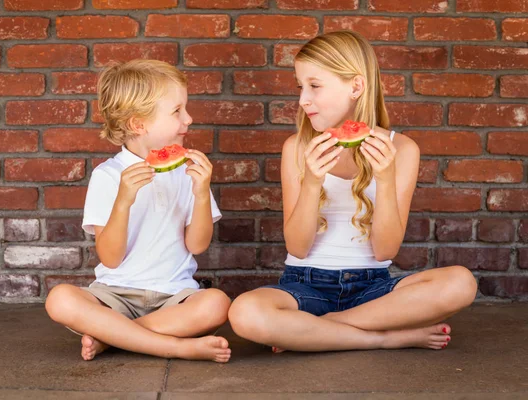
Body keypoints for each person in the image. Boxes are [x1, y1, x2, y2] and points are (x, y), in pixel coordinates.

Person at [228, 30, 477, 353]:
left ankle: (315, 332)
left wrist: (385, 181)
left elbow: (385, 251)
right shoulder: (296, 148)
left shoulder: (402, 149)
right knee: (244, 312)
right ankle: (384, 338)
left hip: (373, 289)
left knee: (460, 283)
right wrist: (312, 182)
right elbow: (298, 247)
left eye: (314, 86)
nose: (303, 99)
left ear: (356, 86)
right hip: (304, 285)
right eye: (300, 87)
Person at [46, 60, 231, 363]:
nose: (189, 118)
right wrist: (123, 201)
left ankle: (114, 338)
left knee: (217, 304)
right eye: (177, 111)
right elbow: (110, 257)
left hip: (175, 296)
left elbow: (197, 245)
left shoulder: (188, 171)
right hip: (115, 296)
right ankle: (175, 347)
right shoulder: (108, 175)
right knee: (60, 299)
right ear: (138, 124)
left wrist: (200, 194)